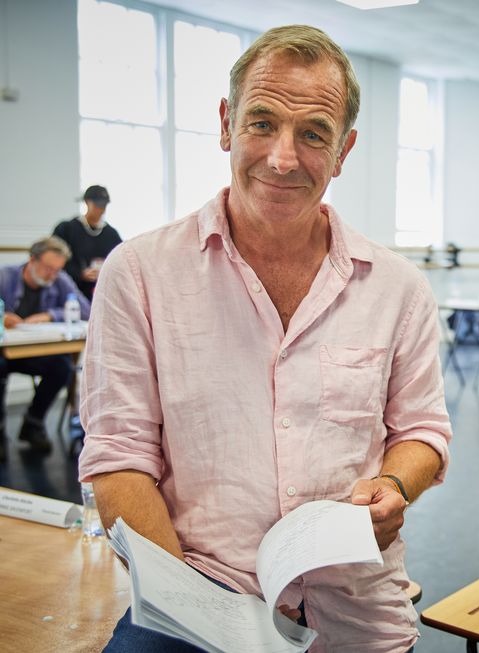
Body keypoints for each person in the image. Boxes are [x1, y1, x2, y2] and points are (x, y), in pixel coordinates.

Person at [78, 25, 451, 653]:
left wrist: (397, 485)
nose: (283, 157)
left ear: (343, 150)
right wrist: (195, 614)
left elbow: (422, 431)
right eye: (261, 123)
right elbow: (119, 461)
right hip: (198, 592)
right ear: (226, 124)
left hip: (355, 609)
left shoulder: (397, 288)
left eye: (313, 134)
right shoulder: (140, 275)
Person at [0, 236, 90, 461]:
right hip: (5, 351)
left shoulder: (59, 280)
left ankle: (33, 423)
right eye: (48, 268)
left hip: (35, 351)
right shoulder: (5, 277)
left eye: (57, 270)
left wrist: (49, 315)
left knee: (62, 366)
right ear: (32, 259)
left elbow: (86, 309)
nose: (52, 275)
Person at [53, 185, 123, 301]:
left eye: (104, 205)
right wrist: (79, 273)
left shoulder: (111, 234)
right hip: (70, 295)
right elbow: (55, 260)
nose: (101, 209)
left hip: (101, 295)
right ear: (87, 202)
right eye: (97, 205)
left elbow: (119, 262)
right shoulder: (66, 229)